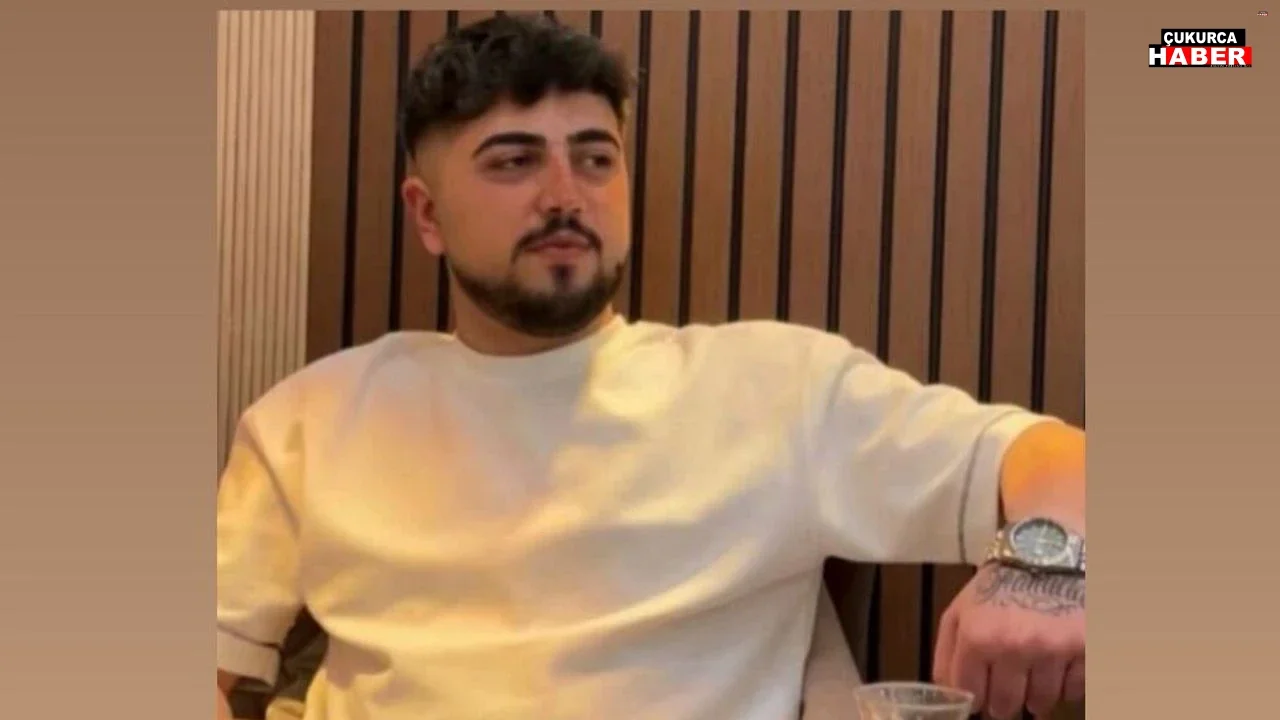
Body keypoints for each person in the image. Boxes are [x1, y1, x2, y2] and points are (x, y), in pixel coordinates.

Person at [216, 13, 1085, 720]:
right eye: (514, 161)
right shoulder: (311, 419)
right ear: (428, 215)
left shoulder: (773, 388)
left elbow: (1057, 460)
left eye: (595, 158)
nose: (566, 195)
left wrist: (1041, 570)